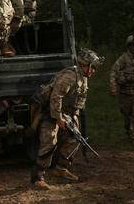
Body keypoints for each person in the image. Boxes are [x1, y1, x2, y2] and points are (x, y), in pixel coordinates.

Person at [31, 48, 104, 190]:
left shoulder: (83, 77)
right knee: (49, 142)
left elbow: (78, 99)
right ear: (84, 65)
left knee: (74, 138)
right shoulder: (70, 77)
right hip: (51, 111)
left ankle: (61, 168)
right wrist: (58, 118)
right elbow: (56, 97)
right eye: (92, 67)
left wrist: (74, 117)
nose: (94, 71)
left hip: (67, 113)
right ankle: (37, 177)